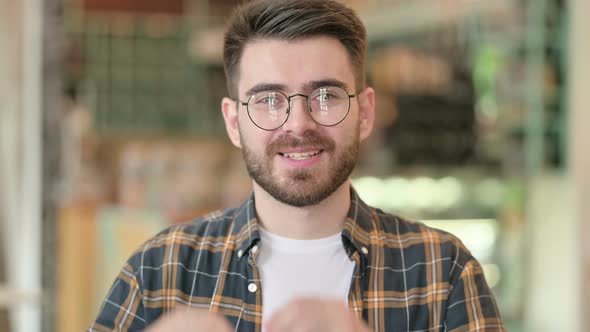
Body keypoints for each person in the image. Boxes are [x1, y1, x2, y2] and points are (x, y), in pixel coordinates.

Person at [89, 0, 505, 331]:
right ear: (234, 122)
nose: (299, 123)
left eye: (325, 95)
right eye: (269, 100)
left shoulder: (441, 272)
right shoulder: (160, 271)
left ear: (365, 113)